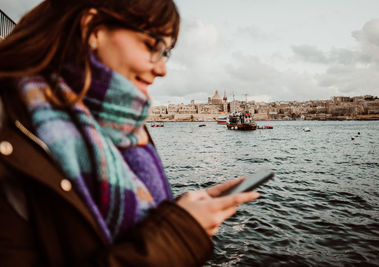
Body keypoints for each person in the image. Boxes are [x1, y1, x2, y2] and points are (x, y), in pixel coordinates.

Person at [0, 0, 259, 266]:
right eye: (152, 46)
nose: (162, 69)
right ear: (92, 29)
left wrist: (180, 213)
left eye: (165, 53)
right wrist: (179, 234)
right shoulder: (9, 134)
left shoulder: (122, 123)